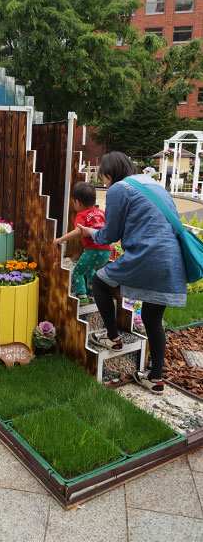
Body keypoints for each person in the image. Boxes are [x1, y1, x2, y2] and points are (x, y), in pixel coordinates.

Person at [77, 151, 187, 394]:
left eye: (103, 178)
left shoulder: (119, 188)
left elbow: (109, 235)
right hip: (172, 259)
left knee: (100, 280)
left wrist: (88, 232)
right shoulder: (153, 185)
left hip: (147, 256)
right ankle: (155, 379)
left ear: (109, 173)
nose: (104, 184)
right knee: (152, 318)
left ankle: (113, 338)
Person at [53, 182, 111, 305]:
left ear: (78, 203)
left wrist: (60, 239)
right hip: (106, 252)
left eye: (74, 202)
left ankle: (81, 295)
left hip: (93, 252)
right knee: (89, 268)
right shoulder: (101, 213)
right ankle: (93, 289)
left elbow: (78, 231)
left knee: (78, 271)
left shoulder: (82, 215)